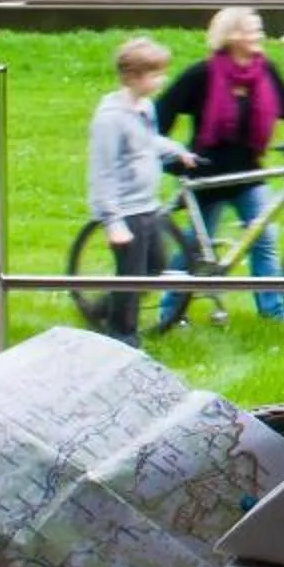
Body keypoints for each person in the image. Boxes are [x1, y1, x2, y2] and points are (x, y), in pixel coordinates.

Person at [153, 8, 284, 327]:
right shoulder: (203, 75)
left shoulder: (264, 73)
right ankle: (170, 313)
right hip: (207, 174)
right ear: (233, 36)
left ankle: (273, 311)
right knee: (194, 249)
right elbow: (159, 116)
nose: (260, 35)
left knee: (263, 238)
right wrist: (168, 154)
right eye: (253, 29)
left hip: (248, 173)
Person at [86, 36, 195, 344]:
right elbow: (102, 171)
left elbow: (148, 142)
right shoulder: (110, 119)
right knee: (131, 279)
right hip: (126, 211)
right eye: (155, 74)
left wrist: (176, 150)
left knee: (155, 266)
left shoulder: (145, 107)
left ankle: (103, 310)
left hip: (148, 206)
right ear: (132, 77)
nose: (162, 80)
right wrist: (113, 222)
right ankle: (124, 338)